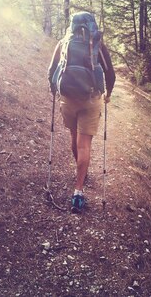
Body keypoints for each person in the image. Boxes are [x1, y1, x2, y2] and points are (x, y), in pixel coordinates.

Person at [48, 12, 116, 213]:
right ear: (92, 25)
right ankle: (78, 191)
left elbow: (52, 70)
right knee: (84, 143)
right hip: (90, 99)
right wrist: (108, 94)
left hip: (68, 98)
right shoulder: (97, 44)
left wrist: (54, 91)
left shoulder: (63, 42)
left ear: (72, 25)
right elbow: (110, 74)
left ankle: (80, 170)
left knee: (73, 137)